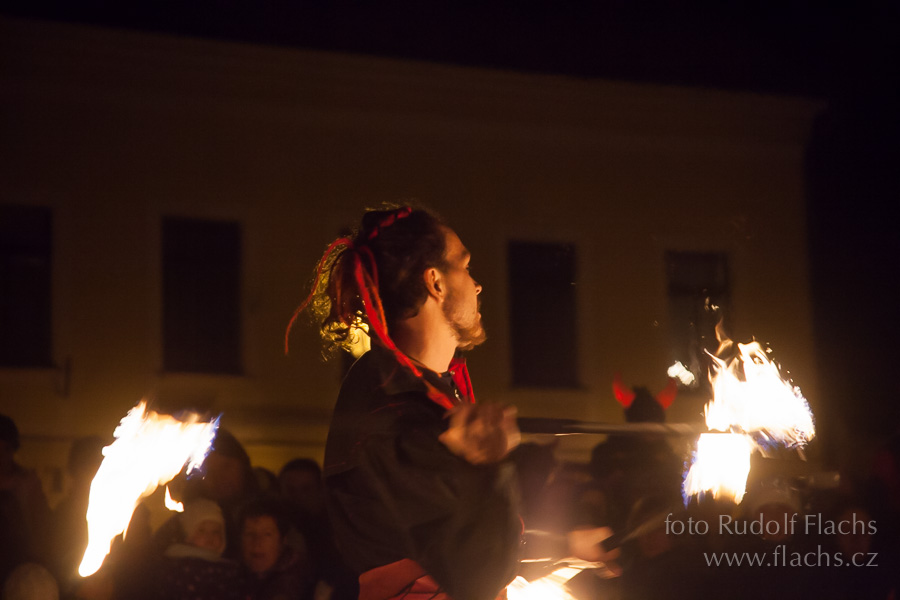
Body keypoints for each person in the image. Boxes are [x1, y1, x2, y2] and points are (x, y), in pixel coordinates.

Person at [285, 206, 522, 600]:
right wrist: (489, 466)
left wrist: (565, 549)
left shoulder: (407, 393)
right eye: (465, 266)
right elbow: (479, 573)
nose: (477, 285)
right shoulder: (395, 411)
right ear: (436, 282)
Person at [240, 498, 314, 600]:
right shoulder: (232, 573)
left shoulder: (294, 579)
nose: (257, 542)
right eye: (249, 533)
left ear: (283, 540)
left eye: (267, 534)